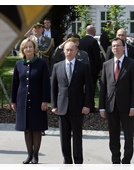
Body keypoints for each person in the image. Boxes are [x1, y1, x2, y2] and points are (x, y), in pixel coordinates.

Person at [51, 41, 92, 170]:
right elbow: (53, 88)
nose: (69, 52)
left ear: (76, 51)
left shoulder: (84, 66)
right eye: (67, 50)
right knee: (64, 137)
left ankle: (78, 162)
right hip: (62, 107)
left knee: (77, 137)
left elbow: (89, 89)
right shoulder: (57, 66)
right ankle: (67, 161)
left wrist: (87, 105)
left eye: (71, 50)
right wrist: (54, 105)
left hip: (78, 107)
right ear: (63, 51)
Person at [99, 38, 134, 170]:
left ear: (124, 47)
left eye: (118, 46)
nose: (115, 48)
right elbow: (103, 87)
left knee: (128, 137)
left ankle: (126, 163)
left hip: (127, 107)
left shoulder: (132, 64)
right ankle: (115, 162)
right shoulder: (107, 64)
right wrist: (102, 107)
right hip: (111, 106)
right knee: (113, 137)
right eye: (113, 46)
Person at [11, 38, 51, 166]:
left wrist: (45, 100)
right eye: (26, 47)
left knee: (36, 129)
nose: (28, 49)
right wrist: (13, 101)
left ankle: (35, 156)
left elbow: (46, 83)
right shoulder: (18, 64)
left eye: (30, 47)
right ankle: (29, 155)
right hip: (22, 101)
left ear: (34, 48)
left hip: (37, 101)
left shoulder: (42, 63)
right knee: (26, 129)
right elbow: (15, 84)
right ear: (22, 50)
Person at [78, 25, 103, 113]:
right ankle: (90, 106)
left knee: (81, 87)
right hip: (92, 69)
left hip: (81, 67)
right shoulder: (93, 41)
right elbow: (97, 56)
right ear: (93, 32)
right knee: (91, 88)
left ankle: (81, 104)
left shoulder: (80, 41)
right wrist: (100, 67)